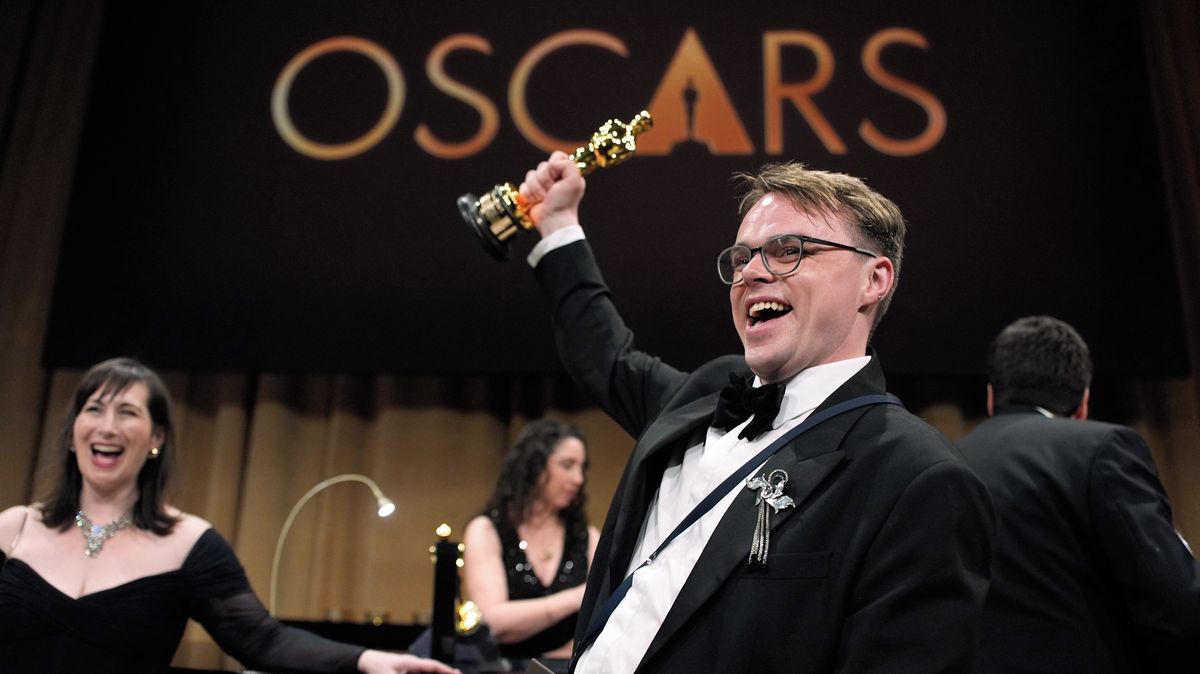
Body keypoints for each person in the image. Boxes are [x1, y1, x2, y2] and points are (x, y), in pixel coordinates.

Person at [513, 151, 994, 673]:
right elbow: (604, 355)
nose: (752, 273)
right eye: (743, 258)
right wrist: (559, 225)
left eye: (789, 251)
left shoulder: (917, 476)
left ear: (873, 280)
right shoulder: (706, 395)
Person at [0, 357, 459, 674]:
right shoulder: (14, 529)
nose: (107, 426)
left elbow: (263, 640)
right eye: (94, 409)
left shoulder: (188, 544)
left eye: (127, 413)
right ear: (73, 432)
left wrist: (367, 659)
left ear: (156, 438)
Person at [957, 315, 1200, 673]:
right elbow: (1177, 605)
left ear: (992, 397)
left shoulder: (943, 463)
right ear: (1084, 402)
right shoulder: (1101, 448)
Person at [462, 419, 599, 665]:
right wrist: (576, 597)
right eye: (567, 465)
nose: (579, 479)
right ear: (534, 466)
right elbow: (492, 620)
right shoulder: (486, 530)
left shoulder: (587, 536)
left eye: (582, 468)